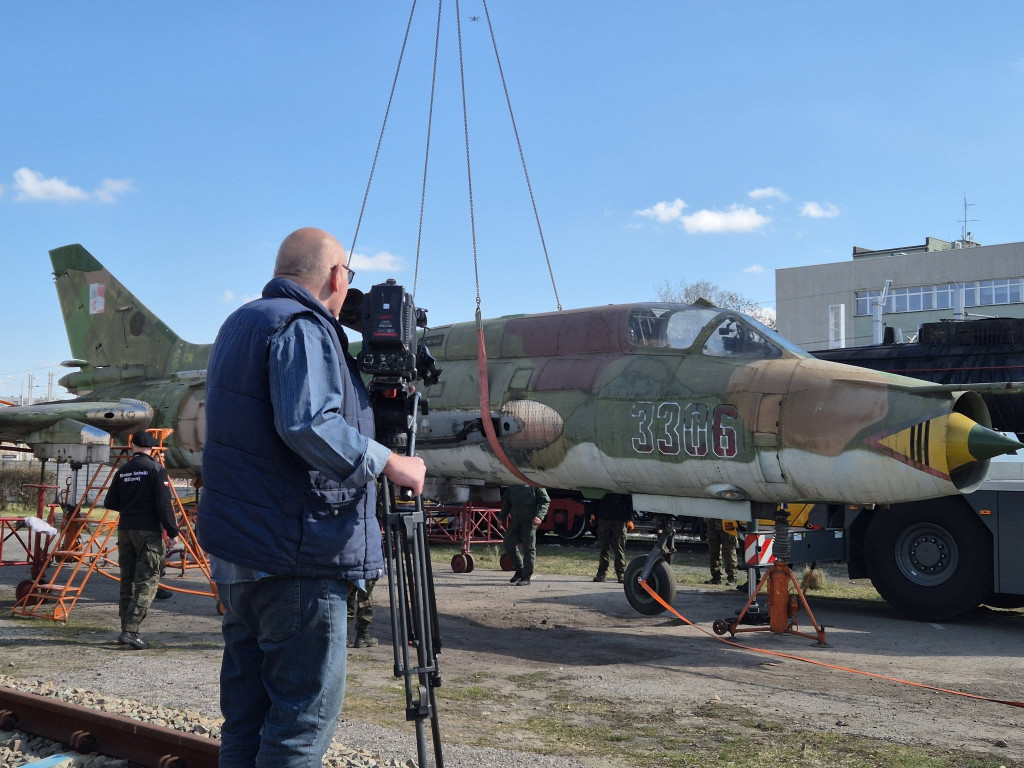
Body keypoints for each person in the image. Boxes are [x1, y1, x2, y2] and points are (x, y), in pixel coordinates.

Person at [197, 227, 426, 768]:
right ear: (335, 276)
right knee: (300, 726)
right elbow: (309, 424)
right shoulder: (301, 326)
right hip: (296, 555)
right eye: (349, 279)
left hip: (242, 559)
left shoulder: (243, 322)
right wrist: (390, 461)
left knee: (247, 722)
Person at [103, 430, 179, 650]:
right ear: (153, 448)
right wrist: (172, 532)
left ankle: (125, 627)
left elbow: (110, 502)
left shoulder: (123, 470)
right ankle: (131, 631)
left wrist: (131, 506)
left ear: (133, 446)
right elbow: (164, 505)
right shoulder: (156, 470)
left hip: (126, 530)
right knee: (147, 581)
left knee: (127, 580)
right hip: (148, 532)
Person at [501, 484, 551, 586]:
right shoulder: (513, 484)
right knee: (508, 543)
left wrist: (539, 516)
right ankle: (520, 569)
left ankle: (526, 576)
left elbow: (545, 501)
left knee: (528, 547)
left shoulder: (534, 483)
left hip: (530, 520)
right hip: (516, 519)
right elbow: (507, 502)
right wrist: (501, 517)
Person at [591, 494, 632, 583]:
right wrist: (593, 512)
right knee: (604, 548)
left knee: (618, 549)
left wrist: (629, 519)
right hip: (605, 518)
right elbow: (596, 496)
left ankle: (620, 574)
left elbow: (628, 500)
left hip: (618, 519)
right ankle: (602, 574)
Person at [704, 517, 738, 586]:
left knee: (729, 551)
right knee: (713, 551)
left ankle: (732, 578)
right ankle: (716, 577)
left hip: (728, 519)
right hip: (712, 521)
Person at [347, 577, 378, 647]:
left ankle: (344, 635)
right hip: (365, 568)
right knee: (365, 597)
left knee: (348, 594)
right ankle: (362, 635)